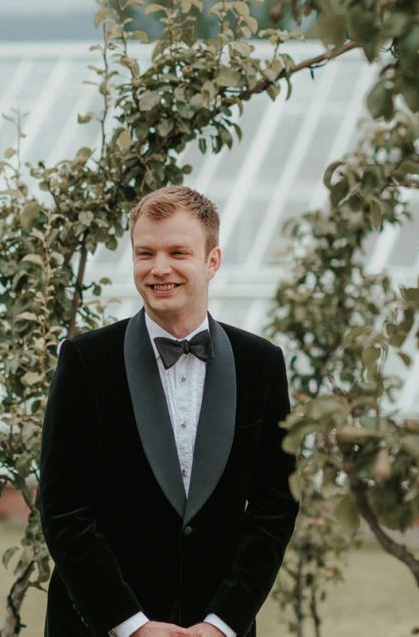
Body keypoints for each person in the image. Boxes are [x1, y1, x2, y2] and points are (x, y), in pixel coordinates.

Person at [39, 186, 298, 637]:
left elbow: (275, 509)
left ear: (212, 261)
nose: (159, 269)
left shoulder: (262, 364)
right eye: (145, 254)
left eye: (178, 252)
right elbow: (63, 510)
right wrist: (131, 625)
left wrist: (222, 623)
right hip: (102, 628)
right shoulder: (85, 361)